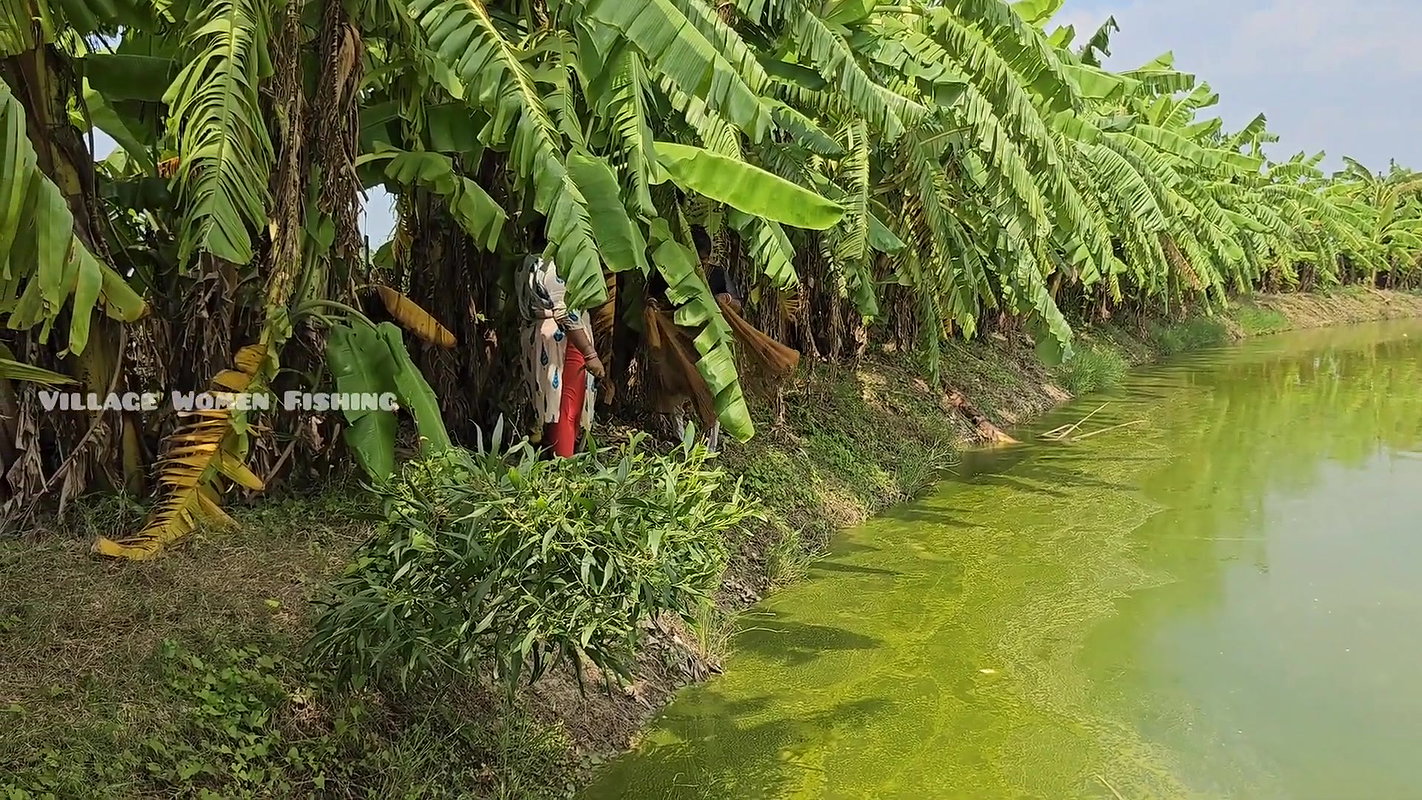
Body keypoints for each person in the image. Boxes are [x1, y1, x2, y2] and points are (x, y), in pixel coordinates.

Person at [518, 245, 605, 457]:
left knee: (549, 403)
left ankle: (553, 456)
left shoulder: (528, 262)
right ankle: (564, 462)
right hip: (564, 339)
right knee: (566, 407)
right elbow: (566, 314)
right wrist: (590, 353)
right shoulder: (556, 266)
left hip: (537, 336)